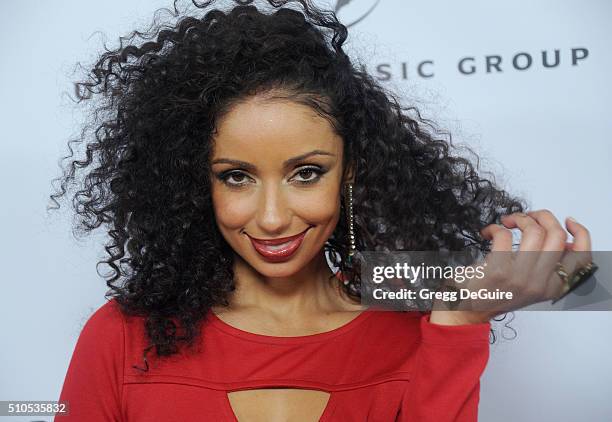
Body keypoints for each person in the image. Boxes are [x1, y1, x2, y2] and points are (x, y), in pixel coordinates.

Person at [50, 0, 594, 421]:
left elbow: (592, 280)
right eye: (235, 176)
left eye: (305, 173)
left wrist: (462, 318)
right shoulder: (125, 338)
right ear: (198, 182)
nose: (270, 218)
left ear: (349, 171)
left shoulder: (412, 322)